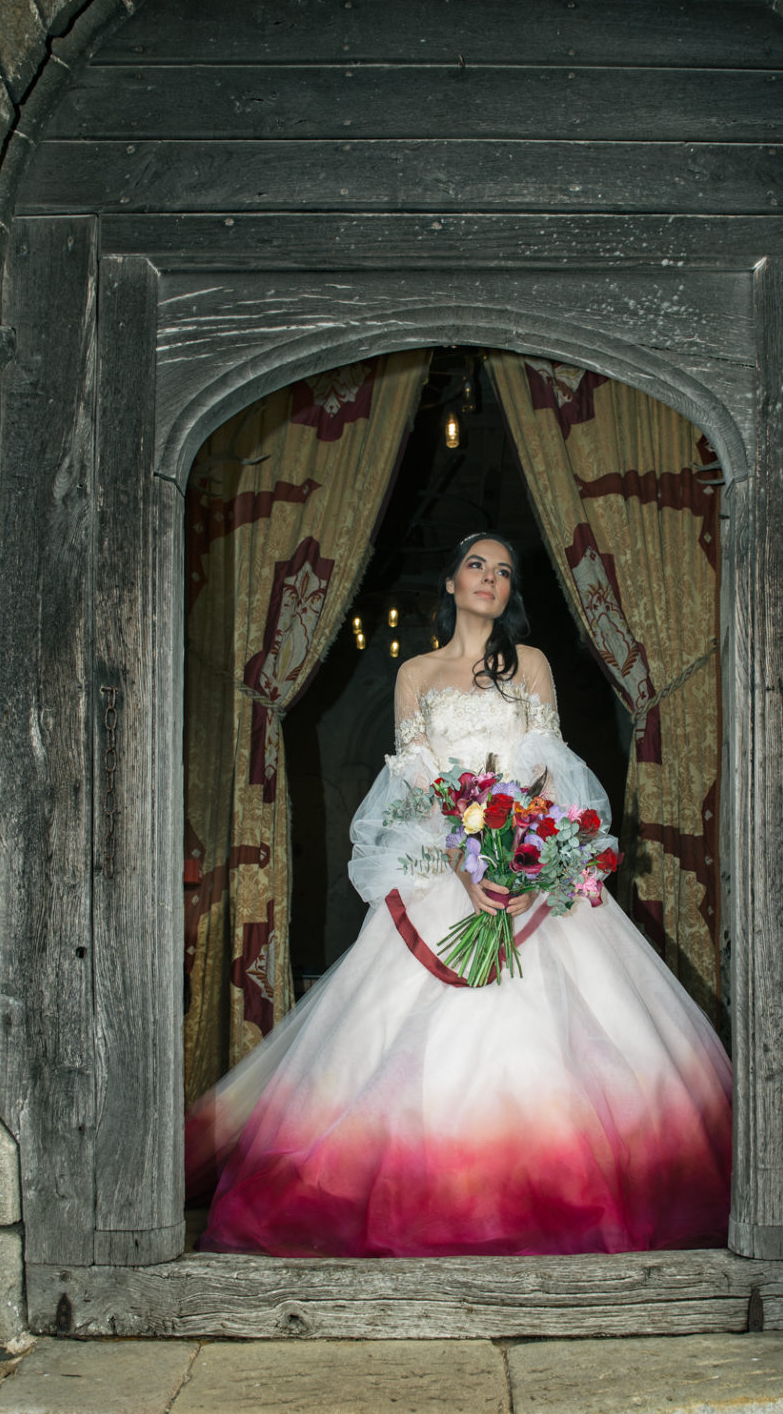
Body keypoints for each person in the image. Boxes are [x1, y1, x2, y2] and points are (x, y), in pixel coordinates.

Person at [187, 531, 733, 1257]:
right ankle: (413, 1190)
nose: (490, 579)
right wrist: (465, 862)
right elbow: (415, 784)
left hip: (524, 868)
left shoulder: (530, 666)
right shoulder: (415, 675)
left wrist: (517, 855)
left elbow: (547, 770)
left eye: (504, 572)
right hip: (444, 868)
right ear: (449, 583)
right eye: (476, 565)